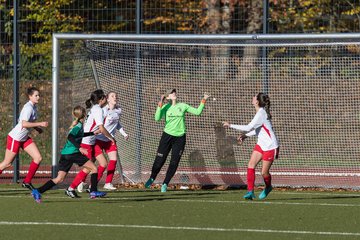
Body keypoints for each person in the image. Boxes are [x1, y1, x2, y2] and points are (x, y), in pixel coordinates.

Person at [31, 106, 106, 203]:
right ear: (84, 115)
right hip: (73, 153)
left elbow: (79, 136)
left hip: (65, 154)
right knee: (94, 168)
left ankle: (37, 191)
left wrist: (92, 133)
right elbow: (70, 137)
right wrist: (80, 148)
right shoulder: (78, 126)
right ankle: (93, 191)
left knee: (59, 179)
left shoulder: (78, 125)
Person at [144, 89, 209, 192]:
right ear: (168, 97)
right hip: (167, 136)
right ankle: (152, 177)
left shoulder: (182, 105)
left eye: (174, 92)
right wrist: (160, 103)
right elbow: (157, 118)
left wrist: (204, 99)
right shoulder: (165, 107)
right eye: (171, 93)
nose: (174, 93)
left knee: (174, 162)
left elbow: (197, 112)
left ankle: (165, 183)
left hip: (180, 138)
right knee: (159, 160)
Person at [223, 92, 279, 200]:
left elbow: (249, 127)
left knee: (264, 173)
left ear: (257, 101)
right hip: (261, 144)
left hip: (270, 146)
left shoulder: (261, 114)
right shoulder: (260, 113)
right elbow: (259, 130)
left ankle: (268, 187)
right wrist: (245, 136)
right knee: (251, 165)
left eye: (254, 97)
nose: (252, 97)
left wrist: (230, 125)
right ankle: (250, 192)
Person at [66, 89, 115, 197]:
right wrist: (110, 138)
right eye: (105, 97)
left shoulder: (96, 108)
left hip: (92, 141)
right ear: (101, 99)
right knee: (89, 167)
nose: (106, 98)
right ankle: (71, 188)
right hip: (86, 143)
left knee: (103, 163)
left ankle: (92, 188)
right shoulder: (97, 109)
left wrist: (95, 131)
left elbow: (94, 127)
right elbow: (102, 128)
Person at [0, 87, 48, 190]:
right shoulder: (28, 108)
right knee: (7, 163)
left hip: (24, 138)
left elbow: (26, 121)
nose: (38, 97)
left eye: (38, 95)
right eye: (36, 95)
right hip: (15, 138)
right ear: (30, 96)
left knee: (38, 158)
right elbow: (24, 123)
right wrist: (40, 123)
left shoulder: (34, 107)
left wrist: (36, 128)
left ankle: (27, 182)